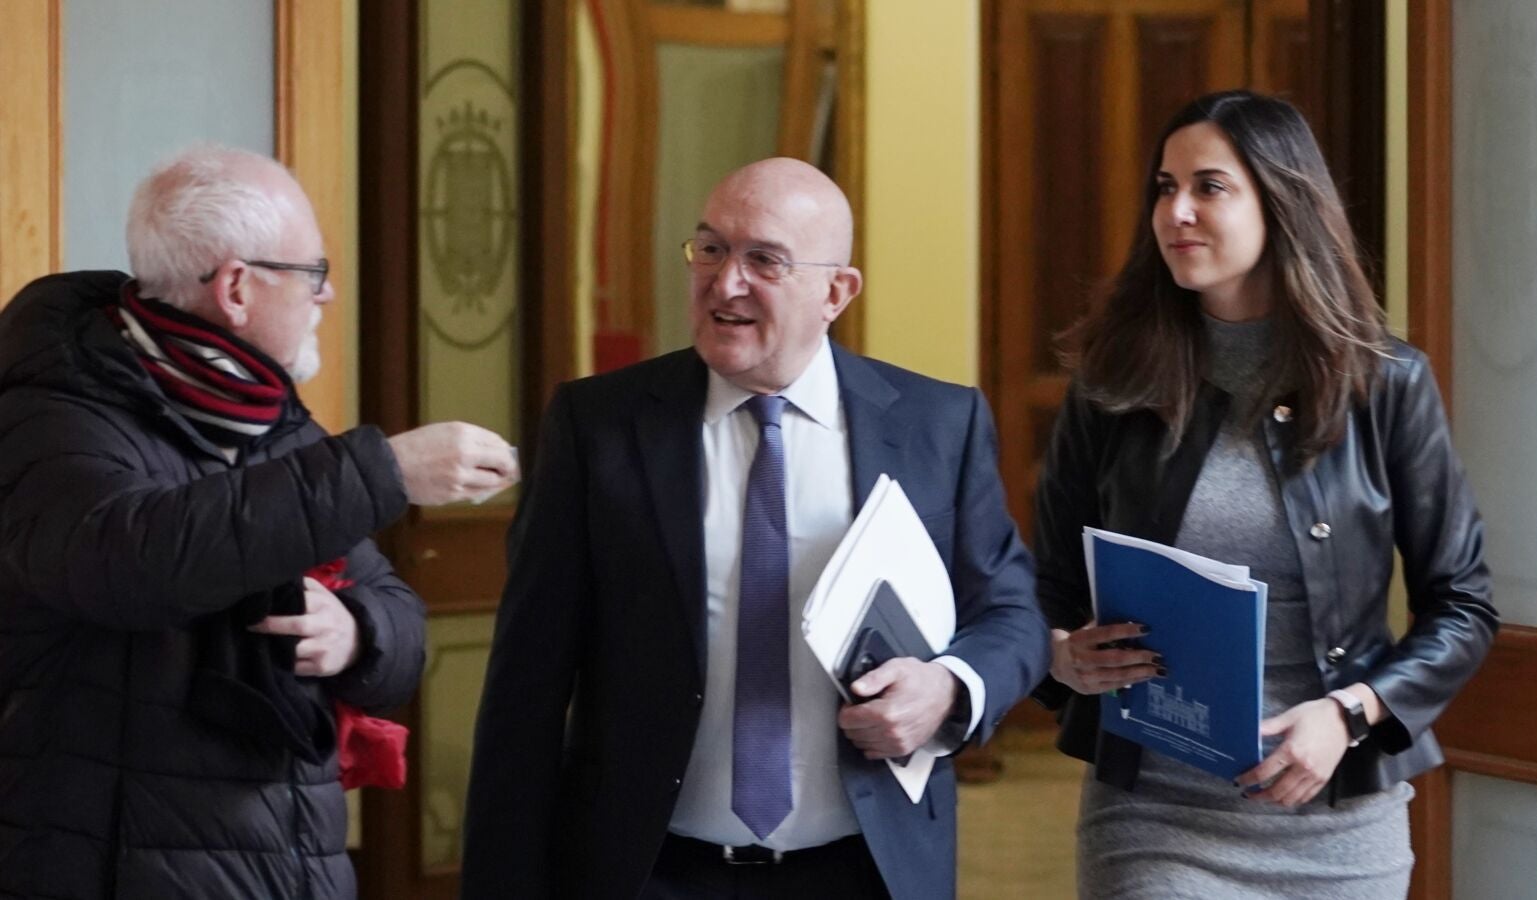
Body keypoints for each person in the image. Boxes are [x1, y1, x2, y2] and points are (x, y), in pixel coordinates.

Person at [460, 157, 1049, 900]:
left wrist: (949, 688)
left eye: (764, 260)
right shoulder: (599, 426)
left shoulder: (938, 424)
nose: (725, 282)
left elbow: (1012, 614)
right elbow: (527, 681)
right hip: (650, 869)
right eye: (710, 249)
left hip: (865, 870)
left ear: (836, 292)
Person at [0, 145, 518, 900]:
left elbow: (402, 625)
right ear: (237, 287)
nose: (328, 293)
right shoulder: (56, 410)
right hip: (117, 867)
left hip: (293, 865)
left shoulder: (272, 417)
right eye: (312, 271)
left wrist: (355, 632)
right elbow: (135, 560)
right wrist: (386, 470)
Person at [1033, 91, 1497, 898]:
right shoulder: (1111, 386)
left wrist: (1350, 712)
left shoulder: (1386, 384)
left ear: (1281, 202)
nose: (1176, 211)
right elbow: (1043, 590)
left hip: (1337, 819)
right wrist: (1060, 657)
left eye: (1209, 187)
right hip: (1156, 816)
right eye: (1165, 188)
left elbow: (1463, 605)